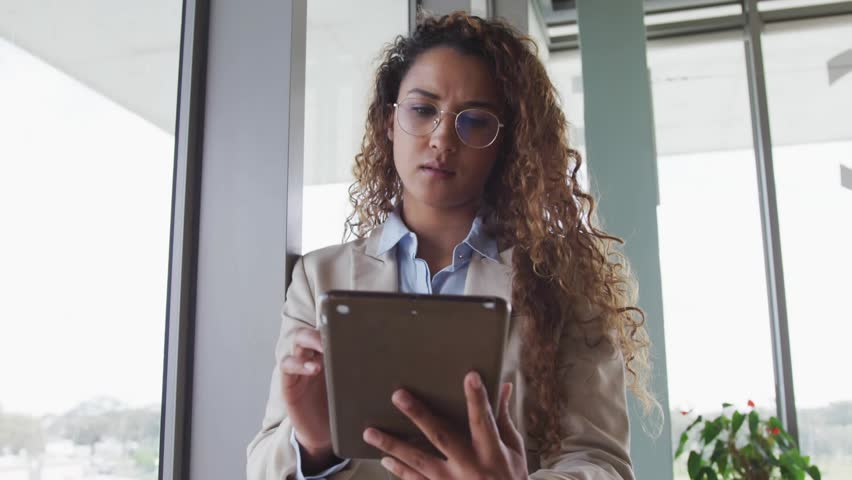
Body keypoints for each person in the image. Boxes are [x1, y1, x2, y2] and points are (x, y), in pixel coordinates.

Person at [247, 11, 656, 480]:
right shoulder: (319, 279)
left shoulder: (561, 283)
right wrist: (312, 445)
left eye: (475, 120)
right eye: (423, 110)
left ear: (506, 143)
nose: (442, 138)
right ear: (389, 122)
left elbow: (603, 463)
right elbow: (261, 466)